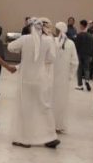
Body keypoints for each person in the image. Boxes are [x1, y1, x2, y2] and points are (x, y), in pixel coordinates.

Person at [7, 18, 60, 148]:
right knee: (44, 107)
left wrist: (24, 53)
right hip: (41, 79)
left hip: (25, 80)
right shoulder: (48, 41)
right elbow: (51, 58)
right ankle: (50, 137)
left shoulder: (25, 39)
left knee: (25, 108)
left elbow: (10, 47)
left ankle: (23, 139)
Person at [53, 22, 79, 133]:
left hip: (51, 76)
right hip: (63, 79)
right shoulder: (71, 43)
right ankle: (59, 125)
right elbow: (75, 62)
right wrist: (69, 76)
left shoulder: (52, 41)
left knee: (51, 100)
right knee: (61, 102)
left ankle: (50, 125)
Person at [74, 20, 93, 91]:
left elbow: (76, 45)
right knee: (87, 68)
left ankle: (80, 85)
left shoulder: (79, 35)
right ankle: (87, 80)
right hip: (88, 54)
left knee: (79, 69)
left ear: (82, 25)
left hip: (80, 54)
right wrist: (91, 55)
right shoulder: (91, 36)